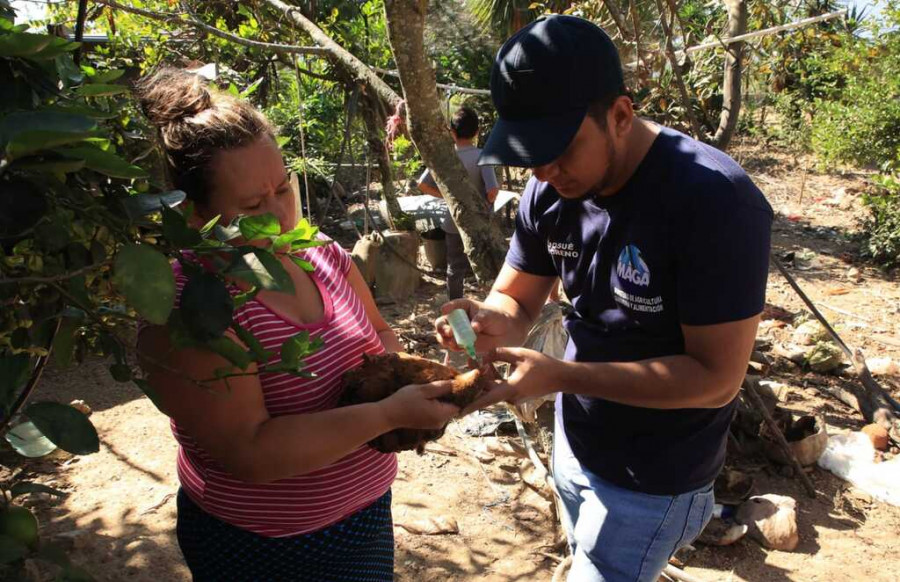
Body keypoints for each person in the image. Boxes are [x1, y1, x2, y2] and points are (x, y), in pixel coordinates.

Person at [434, 15, 773, 582]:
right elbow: (516, 303)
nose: (543, 170)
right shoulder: (550, 188)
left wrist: (563, 377)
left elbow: (716, 377)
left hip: (656, 477)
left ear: (620, 115)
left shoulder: (714, 202)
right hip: (578, 440)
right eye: (529, 152)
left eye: (559, 149)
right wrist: (487, 320)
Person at [135, 68, 459, 581]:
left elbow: (382, 337)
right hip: (262, 547)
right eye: (252, 206)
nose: (283, 217)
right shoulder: (195, 304)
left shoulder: (323, 255)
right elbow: (250, 452)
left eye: (283, 189)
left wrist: (420, 380)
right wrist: (382, 417)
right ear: (195, 217)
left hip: (364, 516)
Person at [417, 106, 500, 300]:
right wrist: (484, 202)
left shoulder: (444, 158)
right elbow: (492, 191)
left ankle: (455, 310)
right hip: (480, 223)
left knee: (454, 267)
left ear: (452, 132)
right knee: (487, 267)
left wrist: (447, 196)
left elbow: (422, 184)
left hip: (453, 220)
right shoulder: (482, 156)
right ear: (477, 131)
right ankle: (491, 307)